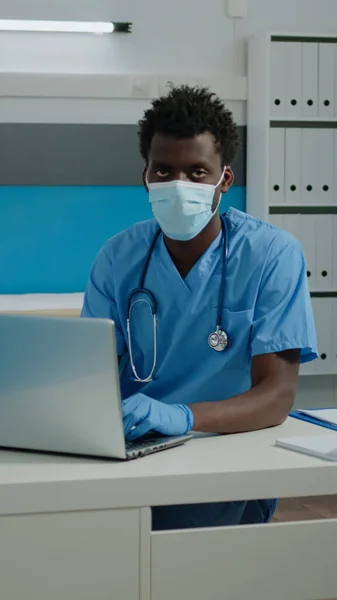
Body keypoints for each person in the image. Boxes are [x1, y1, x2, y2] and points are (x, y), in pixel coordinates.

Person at [81, 85, 318, 529]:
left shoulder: (271, 255)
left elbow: (276, 395)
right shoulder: (118, 257)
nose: (179, 185)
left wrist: (183, 416)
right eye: (164, 170)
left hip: (228, 452)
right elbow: (86, 377)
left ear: (224, 179)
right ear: (146, 176)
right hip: (133, 454)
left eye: (196, 172)